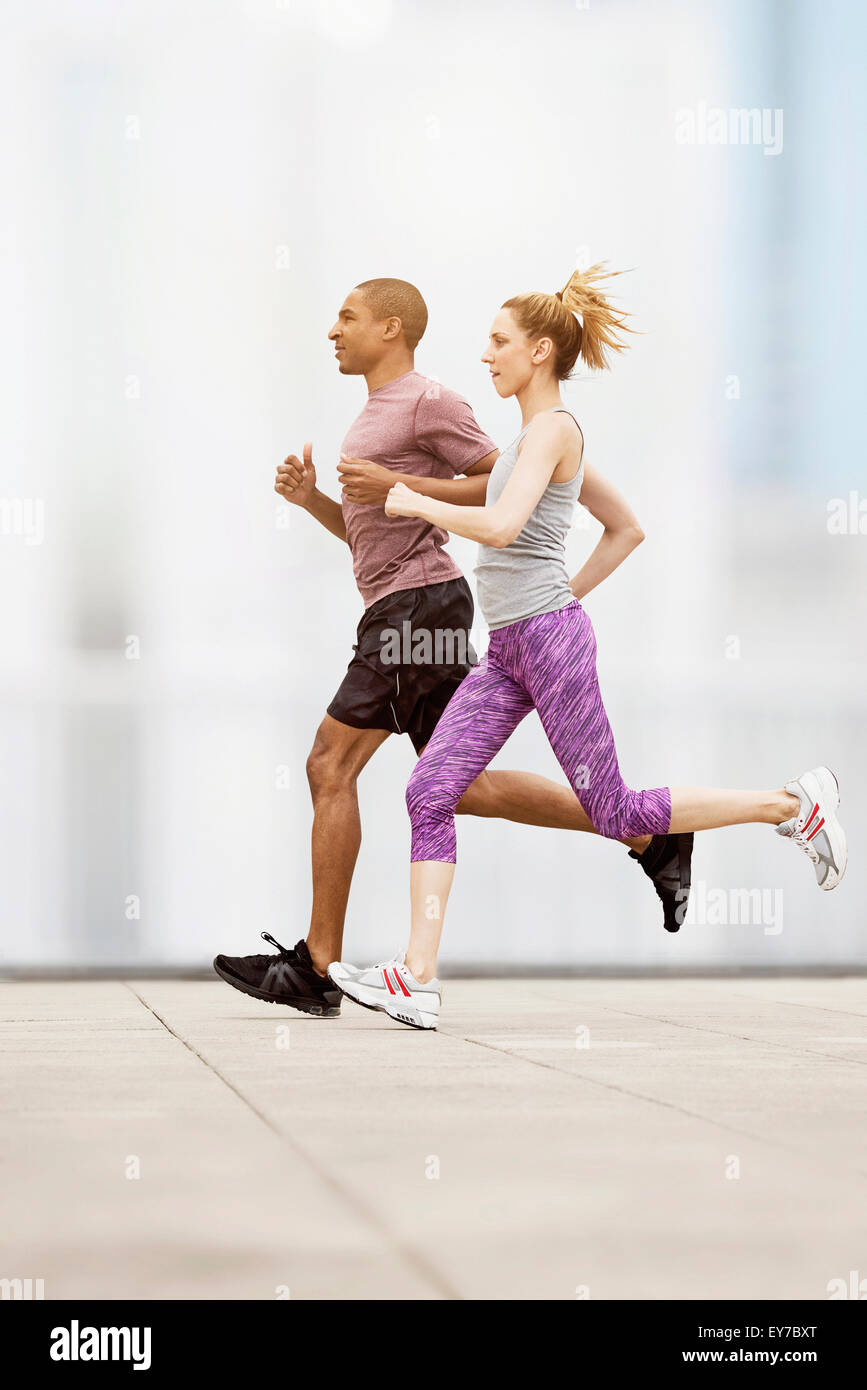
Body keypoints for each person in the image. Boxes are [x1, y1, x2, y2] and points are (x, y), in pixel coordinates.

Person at [327, 265, 848, 1030]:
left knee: (614, 808)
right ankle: (417, 976)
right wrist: (565, 590)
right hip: (512, 645)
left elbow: (502, 527)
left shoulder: (556, 432)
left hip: (547, 644)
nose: (486, 355)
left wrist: (412, 498)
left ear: (539, 350)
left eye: (498, 342)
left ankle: (792, 803)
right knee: (429, 789)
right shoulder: (529, 441)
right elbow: (624, 526)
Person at [213, 277, 692, 1016]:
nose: (332, 331)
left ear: (392, 329)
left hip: (419, 609)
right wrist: (311, 498)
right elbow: (371, 535)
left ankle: (316, 967)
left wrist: (395, 481)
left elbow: (494, 481)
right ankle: (643, 835)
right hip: (399, 605)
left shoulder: (428, 400)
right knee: (458, 788)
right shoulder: (373, 414)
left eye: (347, 317)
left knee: (328, 762)